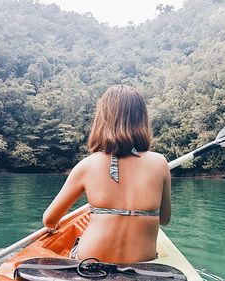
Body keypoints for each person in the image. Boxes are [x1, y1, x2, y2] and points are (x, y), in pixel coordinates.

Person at [42, 85, 171, 263]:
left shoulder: (87, 165)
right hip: (140, 267)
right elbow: (164, 219)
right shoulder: (159, 163)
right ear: (141, 120)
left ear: (103, 119)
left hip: (89, 263)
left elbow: (49, 219)